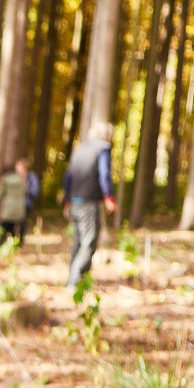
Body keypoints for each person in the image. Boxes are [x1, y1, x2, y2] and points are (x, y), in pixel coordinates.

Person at [64, 123, 117, 287]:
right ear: (107, 136)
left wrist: (67, 200)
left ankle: (75, 281)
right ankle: (75, 282)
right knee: (89, 241)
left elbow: (68, 177)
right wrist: (109, 197)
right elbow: (104, 175)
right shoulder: (103, 149)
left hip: (75, 202)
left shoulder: (80, 150)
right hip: (89, 203)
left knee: (78, 241)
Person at [0, 162, 30, 246]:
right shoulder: (22, 180)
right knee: (19, 230)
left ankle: (1, 245)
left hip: (8, 208)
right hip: (19, 209)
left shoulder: (5, 180)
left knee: (4, 229)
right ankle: (18, 245)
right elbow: (26, 191)